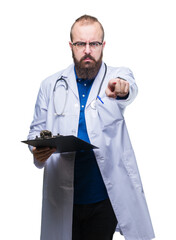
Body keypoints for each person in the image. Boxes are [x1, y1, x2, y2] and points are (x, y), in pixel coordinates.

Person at [28, 15, 155, 240]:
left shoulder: (117, 76)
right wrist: (38, 150)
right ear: (71, 46)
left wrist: (122, 89)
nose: (87, 50)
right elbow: (35, 131)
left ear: (103, 45)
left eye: (94, 44)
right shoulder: (50, 85)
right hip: (64, 197)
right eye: (81, 44)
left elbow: (129, 88)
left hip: (104, 197)